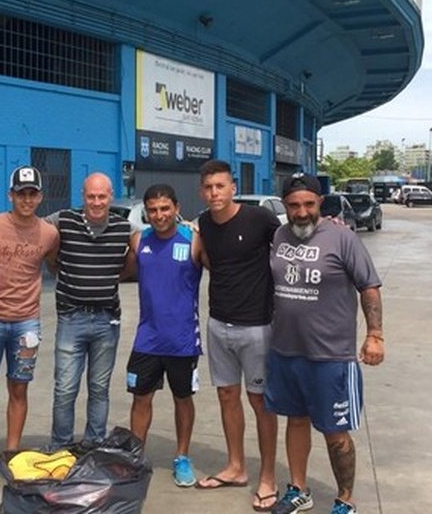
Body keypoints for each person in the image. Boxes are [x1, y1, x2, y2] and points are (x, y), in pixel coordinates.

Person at [266, 173, 384, 514]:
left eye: (308, 204)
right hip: (286, 351)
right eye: (293, 205)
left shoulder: (342, 237)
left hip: (331, 355)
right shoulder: (279, 234)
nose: (301, 212)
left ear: (320, 203)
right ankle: (298, 490)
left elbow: (369, 287)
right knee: (295, 421)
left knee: (336, 433)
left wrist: (375, 334)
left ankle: (345, 500)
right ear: (285, 207)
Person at [195, 159, 279, 511]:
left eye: (220, 186)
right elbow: (212, 263)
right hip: (219, 324)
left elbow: (290, 248)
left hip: (257, 326)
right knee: (227, 397)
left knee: (260, 402)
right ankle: (236, 467)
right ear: (203, 191)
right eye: (209, 187)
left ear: (232, 187)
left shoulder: (259, 219)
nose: (215, 193)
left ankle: (268, 477)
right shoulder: (203, 223)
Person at [0, 165, 59, 479]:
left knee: (19, 390)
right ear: (11, 195)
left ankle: (12, 452)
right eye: (21, 193)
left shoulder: (48, 233)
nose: (27, 199)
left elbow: (57, 264)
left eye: (33, 193)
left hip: (27, 324)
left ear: (40, 196)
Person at [122, 184, 203, 487]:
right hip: (147, 338)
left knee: (183, 399)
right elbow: (122, 273)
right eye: (153, 210)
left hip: (182, 340)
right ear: (146, 212)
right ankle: (135, 458)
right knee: (140, 399)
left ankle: (182, 456)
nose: (159, 215)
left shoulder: (194, 240)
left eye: (165, 208)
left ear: (176, 207)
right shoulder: (138, 240)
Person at [47, 172, 132, 449]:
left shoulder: (124, 227)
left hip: (107, 320)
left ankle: (94, 444)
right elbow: (26, 226)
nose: (96, 202)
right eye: (91, 196)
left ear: (110, 196)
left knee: (99, 389)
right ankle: (61, 447)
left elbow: (147, 247)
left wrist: (190, 228)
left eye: (102, 196)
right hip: (72, 317)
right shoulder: (63, 220)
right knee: (65, 390)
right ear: (82, 196)